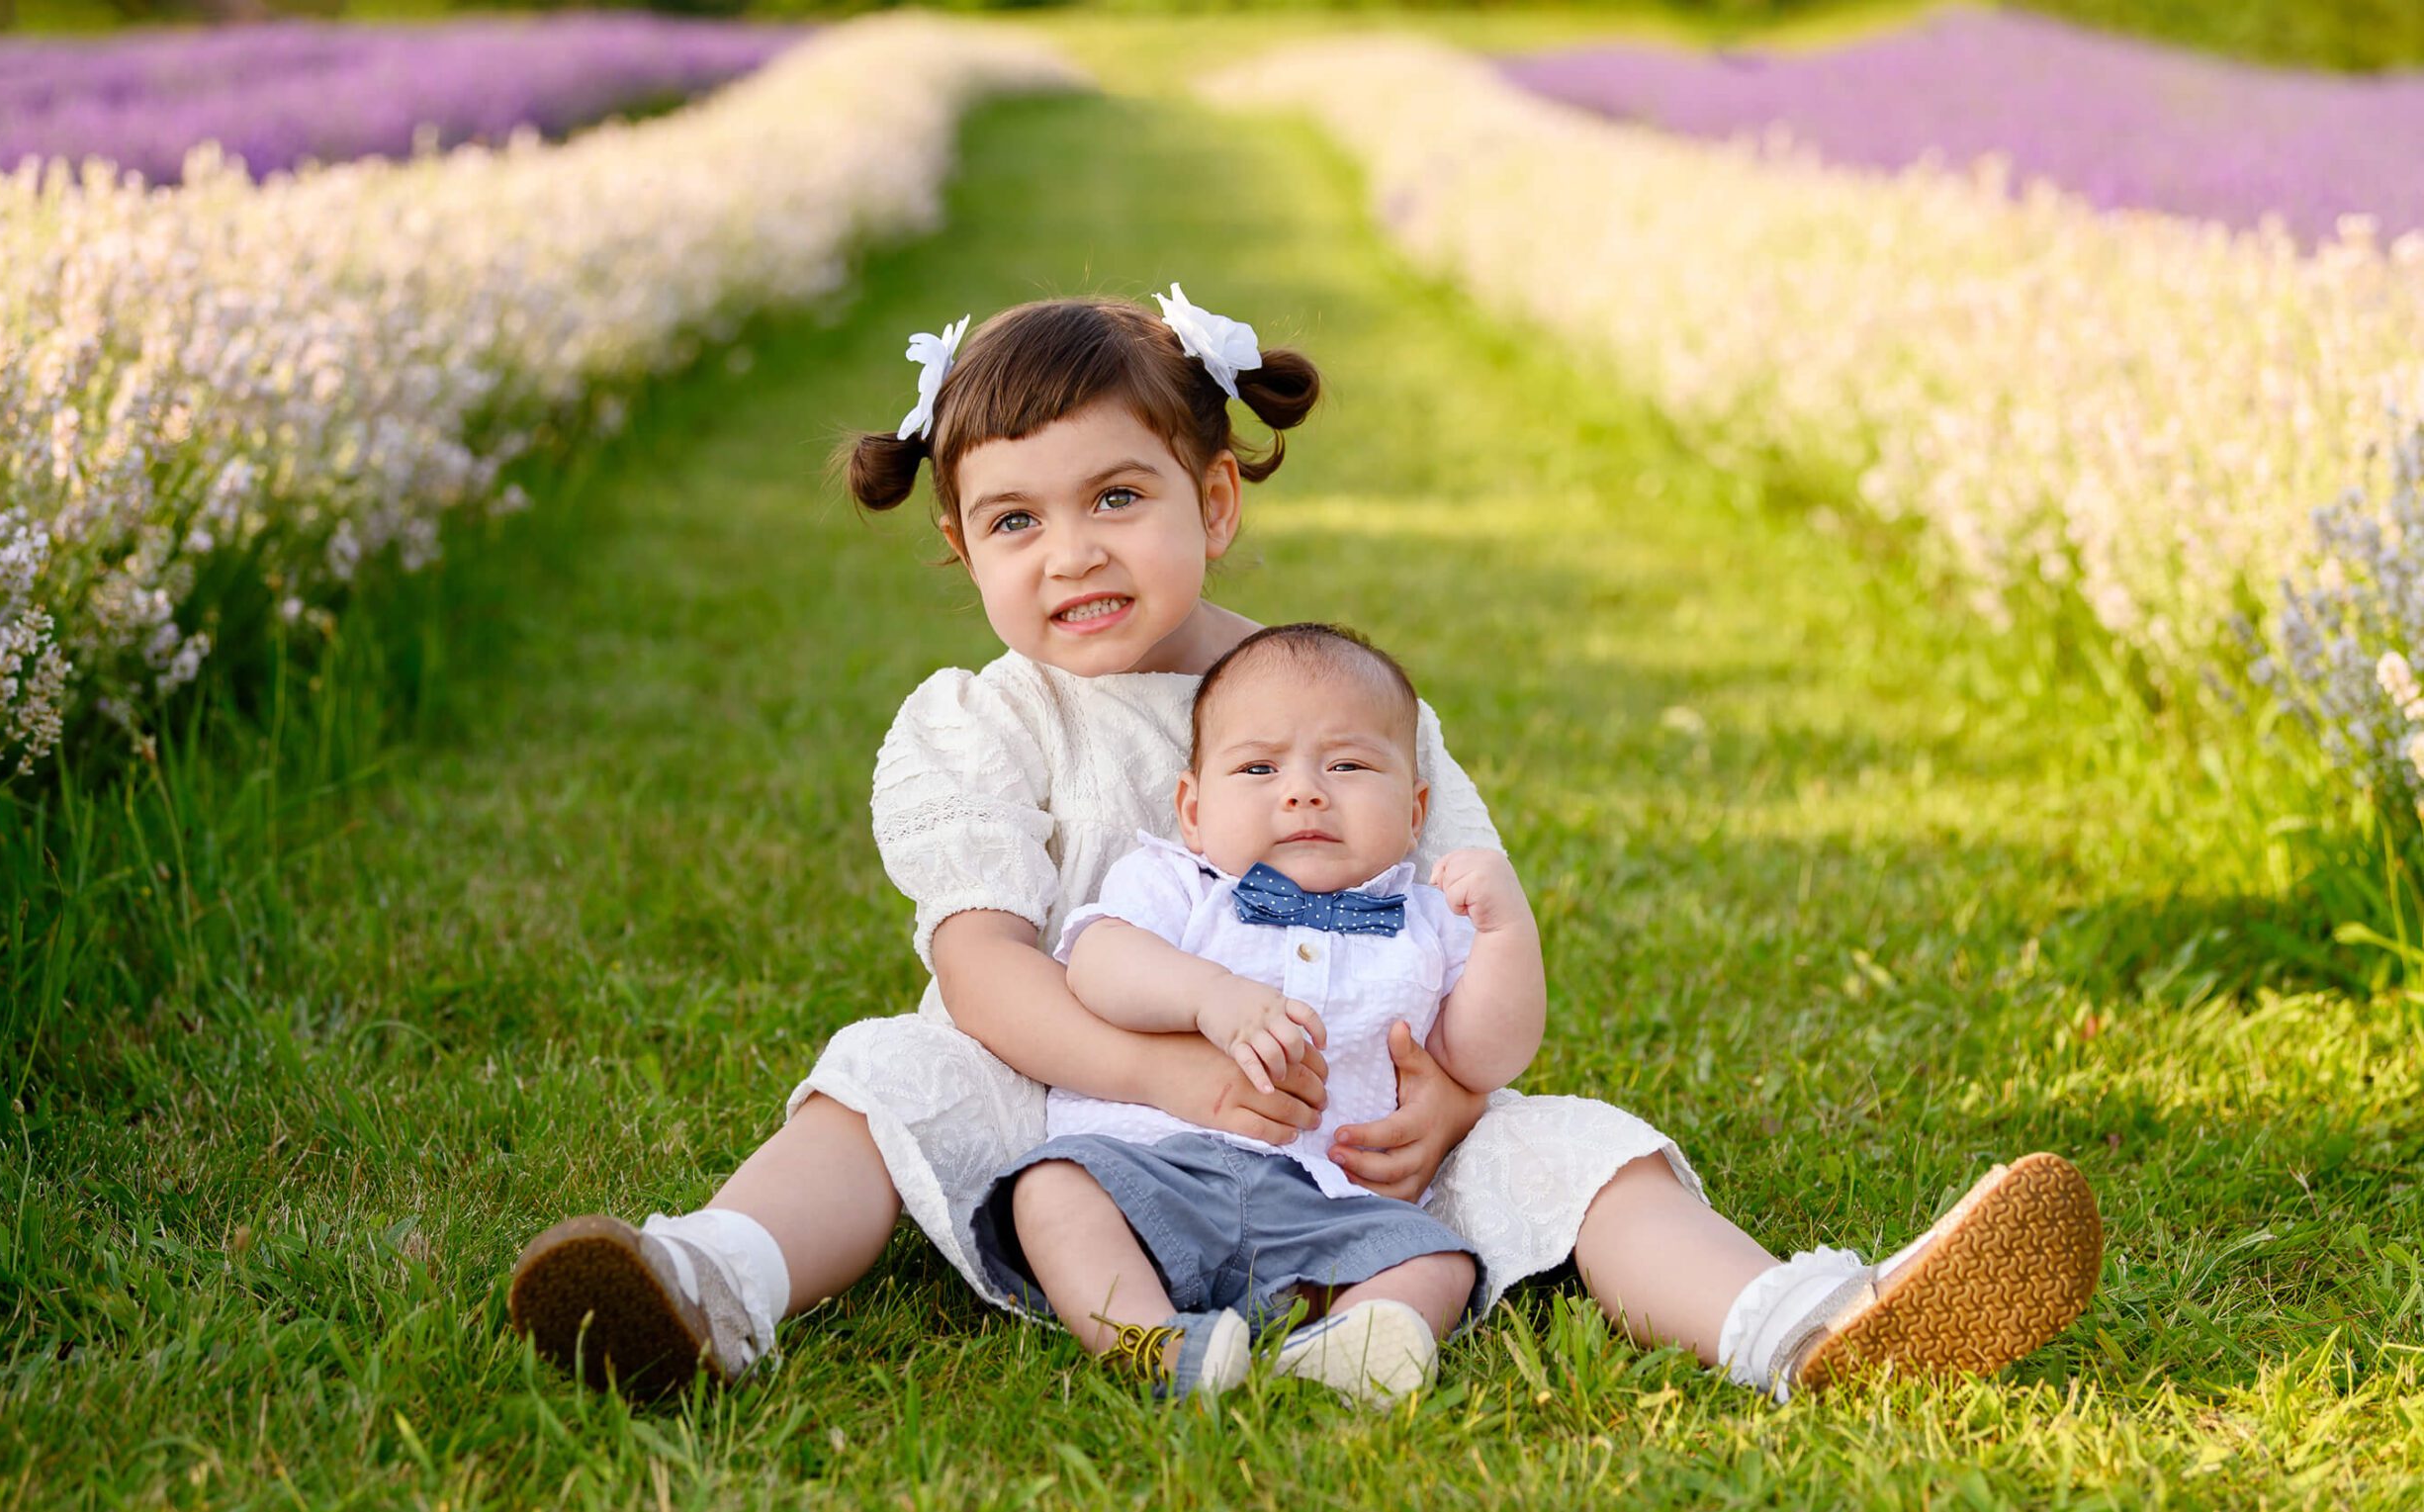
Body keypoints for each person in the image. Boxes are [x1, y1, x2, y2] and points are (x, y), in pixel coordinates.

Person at [506, 286, 2104, 1405]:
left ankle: (1800, 1319)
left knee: (1582, 1145)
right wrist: (1157, 1077)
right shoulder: (976, 720)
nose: (1071, 552)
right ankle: (714, 1282)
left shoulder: (1338, 697)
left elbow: (1477, 908)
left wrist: (1457, 1096)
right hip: (1070, 1091)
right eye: (1014, 520)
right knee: (885, 1068)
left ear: (1216, 499)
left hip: (1350, 1111)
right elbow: (986, 962)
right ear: (958, 545)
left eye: (1118, 496)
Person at [970, 622, 1540, 1406]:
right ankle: (1152, 1341)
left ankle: (1349, 1340)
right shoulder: (1176, 882)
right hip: (1153, 1168)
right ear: (1194, 810)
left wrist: (1508, 933)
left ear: (1415, 812)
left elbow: (1482, 1056)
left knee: (1439, 1260)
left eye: (1346, 764)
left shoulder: (1427, 918)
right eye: (1260, 767)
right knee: (1052, 1192)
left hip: (1330, 1199)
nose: (1304, 789)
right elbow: (1097, 964)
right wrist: (1208, 994)